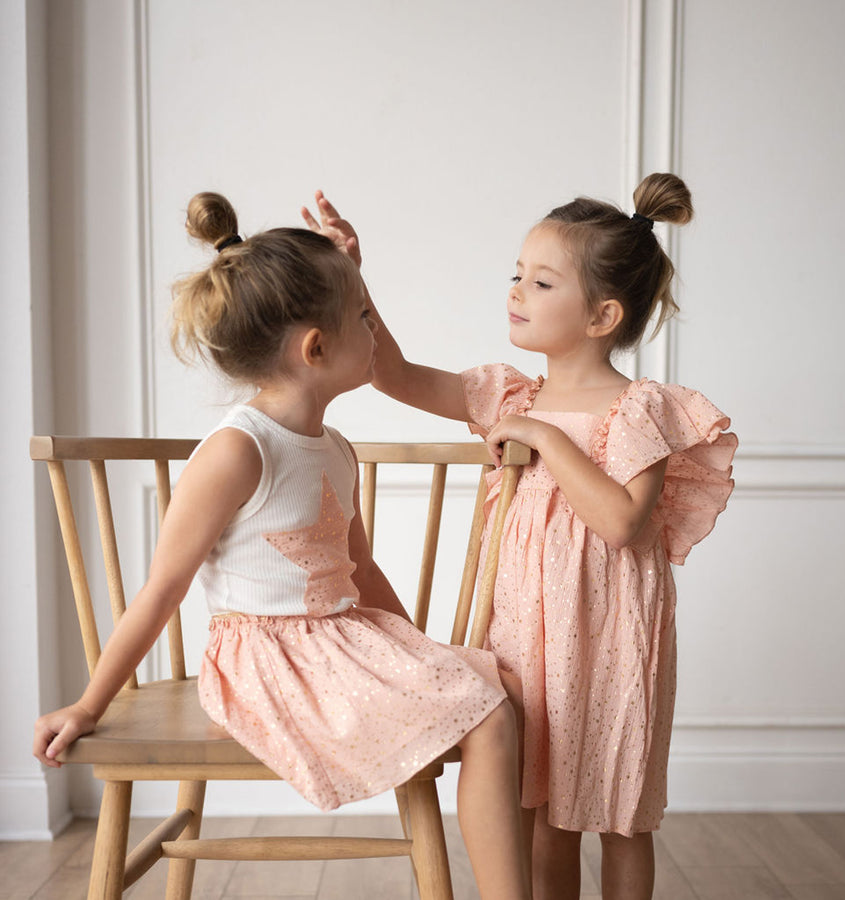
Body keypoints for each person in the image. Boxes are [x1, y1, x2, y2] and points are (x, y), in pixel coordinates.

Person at [33, 192, 532, 900]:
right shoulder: (239, 450)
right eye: (364, 317)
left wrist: (417, 650)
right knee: (486, 713)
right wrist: (88, 705)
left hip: (338, 638)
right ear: (316, 348)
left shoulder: (333, 447)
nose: (375, 330)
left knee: (495, 689)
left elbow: (360, 565)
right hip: (266, 659)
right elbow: (162, 590)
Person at [302, 174, 737, 900]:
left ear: (601, 316)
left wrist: (544, 439)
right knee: (544, 815)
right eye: (517, 275)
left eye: (540, 283)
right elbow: (394, 373)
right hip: (528, 635)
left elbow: (623, 521)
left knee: (624, 815)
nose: (515, 292)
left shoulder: (639, 410)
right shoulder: (507, 394)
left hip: (613, 638)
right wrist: (353, 274)